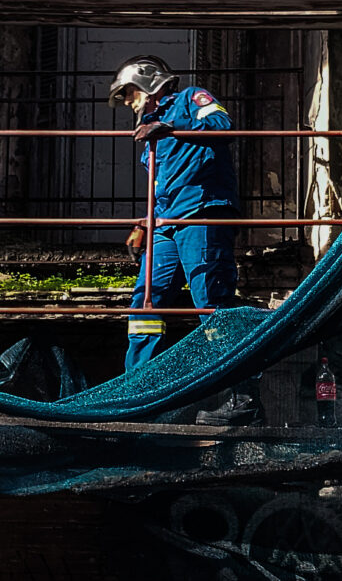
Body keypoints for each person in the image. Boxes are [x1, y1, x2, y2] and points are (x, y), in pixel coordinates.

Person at [108, 55, 263, 426]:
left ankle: (244, 399)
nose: (128, 102)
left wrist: (170, 127)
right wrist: (144, 224)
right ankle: (137, 389)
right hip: (166, 221)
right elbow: (160, 185)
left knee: (211, 302)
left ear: (147, 84)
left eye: (128, 93)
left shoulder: (191, 99)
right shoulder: (148, 130)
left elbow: (222, 125)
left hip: (203, 212)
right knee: (146, 301)